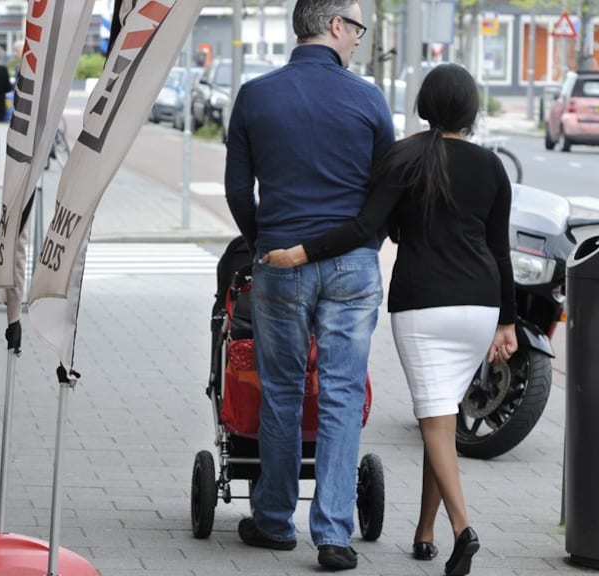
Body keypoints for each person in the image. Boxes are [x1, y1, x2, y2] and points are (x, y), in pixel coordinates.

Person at [263, 63, 516, 576]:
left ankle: (462, 530)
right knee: (440, 416)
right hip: (479, 307)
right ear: (469, 110)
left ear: (426, 104)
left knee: (435, 420)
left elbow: (365, 228)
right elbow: (499, 249)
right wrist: (507, 322)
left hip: (423, 305)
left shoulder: (405, 159)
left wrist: (300, 254)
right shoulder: (491, 167)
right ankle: (424, 533)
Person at [223, 0, 395, 570]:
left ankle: (273, 521)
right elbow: (384, 191)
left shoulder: (256, 95)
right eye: (356, 29)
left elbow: (235, 188)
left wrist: (262, 241)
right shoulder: (369, 98)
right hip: (352, 265)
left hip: (281, 263)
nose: (357, 41)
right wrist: (364, 245)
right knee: (343, 393)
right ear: (334, 26)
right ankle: (334, 536)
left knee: (283, 389)